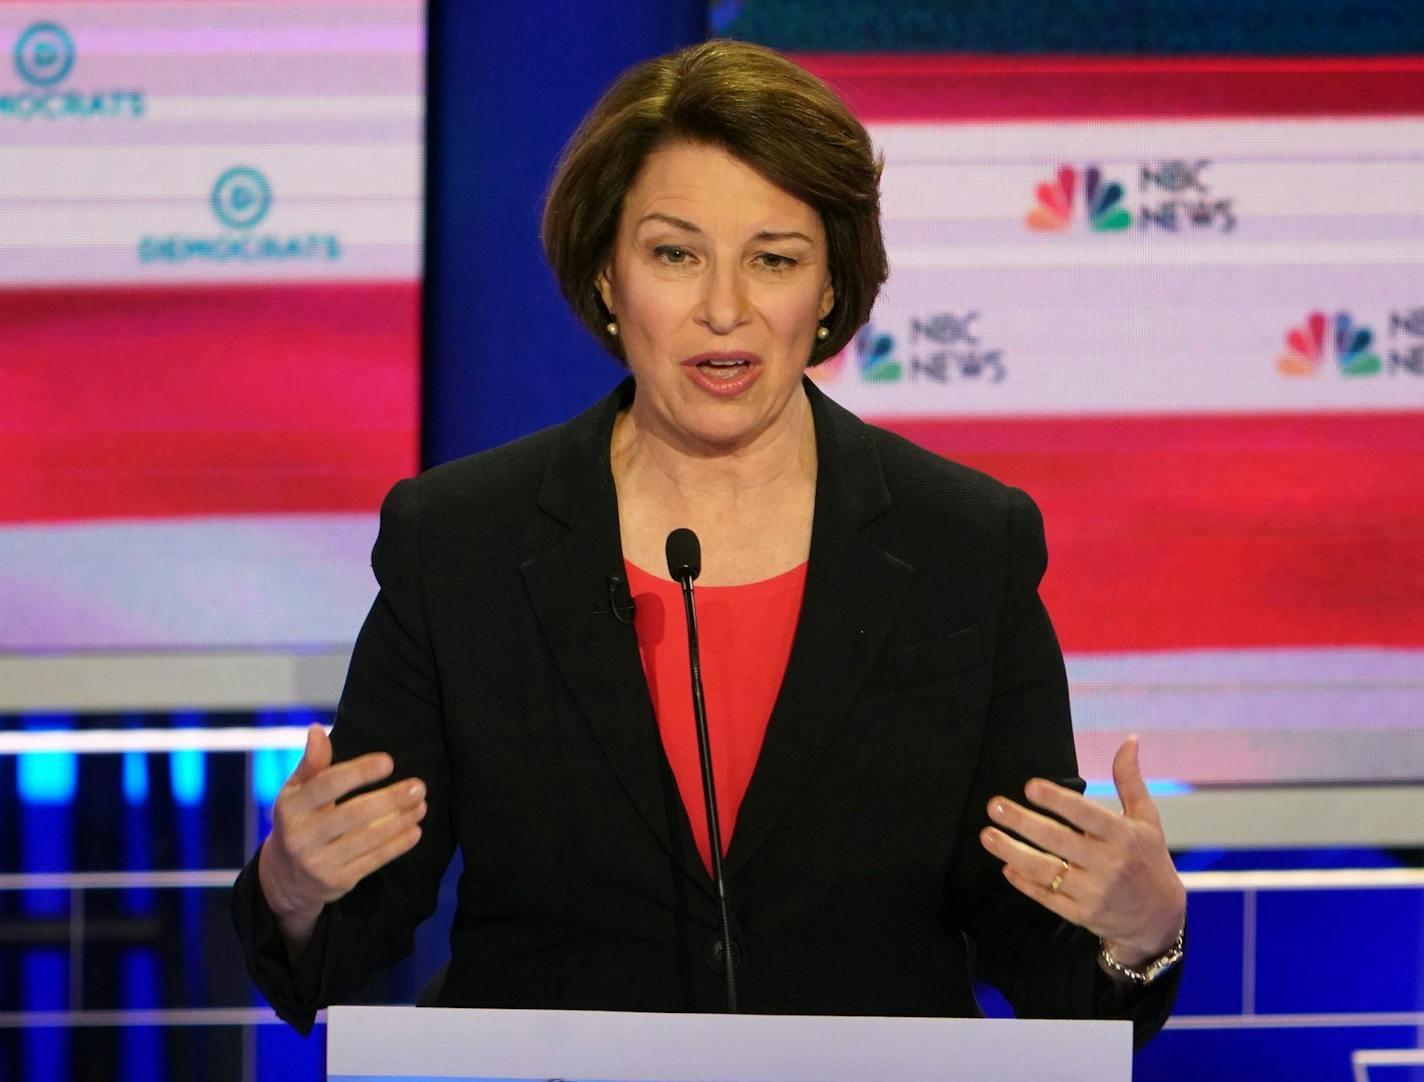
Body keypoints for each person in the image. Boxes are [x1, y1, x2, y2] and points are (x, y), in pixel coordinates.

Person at [233, 39, 1186, 1045]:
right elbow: (352, 924)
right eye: (674, 253)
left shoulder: (964, 544)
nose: (723, 308)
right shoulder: (462, 539)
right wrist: (292, 884)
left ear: (827, 289)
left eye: (772, 258)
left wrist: (1138, 931)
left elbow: (1036, 950)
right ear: (607, 273)